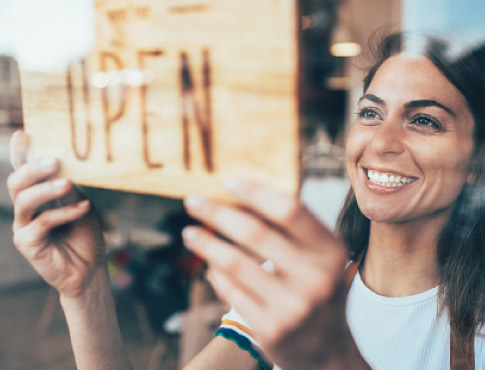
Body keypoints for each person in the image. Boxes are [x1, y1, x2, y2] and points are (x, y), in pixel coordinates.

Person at [6, 32, 485, 370]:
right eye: (370, 113)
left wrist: (328, 359)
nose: (380, 142)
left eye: (424, 121)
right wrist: (85, 289)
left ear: (476, 161)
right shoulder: (287, 291)